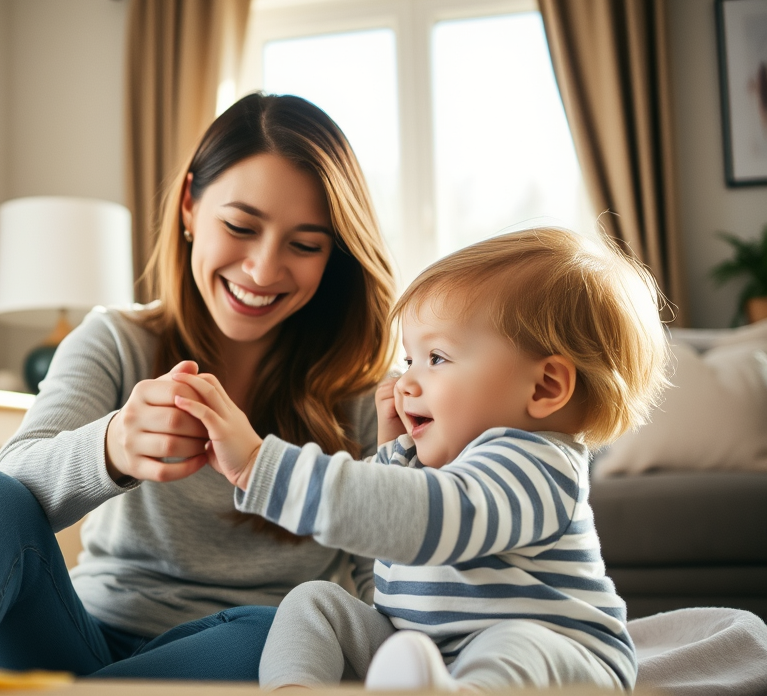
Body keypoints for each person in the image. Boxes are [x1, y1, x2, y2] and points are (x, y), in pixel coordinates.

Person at [0, 93, 396, 696]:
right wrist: (111, 447)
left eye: (305, 244)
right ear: (189, 205)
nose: (263, 269)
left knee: (284, 632)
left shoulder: (363, 398)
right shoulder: (115, 340)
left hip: (241, 650)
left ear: (333, 256)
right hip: (75, 639)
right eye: (240, 226)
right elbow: (14, 487)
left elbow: (386, 594)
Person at [171, 227, 670, 692]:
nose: (405, 382)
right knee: (314, 602)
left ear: (544, 386)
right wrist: (393, 451)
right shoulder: (443, 467)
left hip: (568, 664)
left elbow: (423, 516)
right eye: (409, 360)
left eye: (437, 359)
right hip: (429, 653)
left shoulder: (538, 466)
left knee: (515, 644)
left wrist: (261, 465)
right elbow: (382, 525)